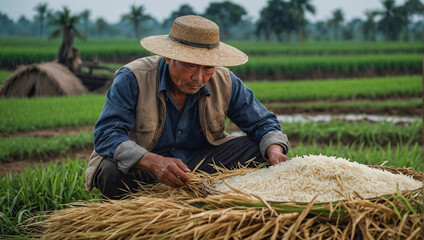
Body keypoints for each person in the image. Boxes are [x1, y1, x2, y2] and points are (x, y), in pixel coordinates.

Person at [85, 15, 290, 199]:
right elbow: (107, 134)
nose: (198, 78)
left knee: (258, 148)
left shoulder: (225, 80)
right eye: (190, 65)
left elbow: (262, 122)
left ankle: (208, 193)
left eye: (208, 67)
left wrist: (274, 148)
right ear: (168, 57)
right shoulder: (133, 78)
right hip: (147, 169)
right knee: (111, 171)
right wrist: (154, 162)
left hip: (199, 169)